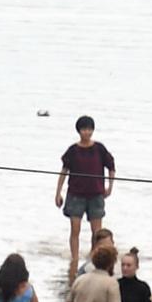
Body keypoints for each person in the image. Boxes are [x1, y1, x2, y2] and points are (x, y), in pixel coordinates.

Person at [56, 116, 116, 278]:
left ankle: (94, 259)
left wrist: (110, 186)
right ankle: (74, 260)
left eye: (89, 129)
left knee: (97, 232)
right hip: (75, 194)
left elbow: (111, 166)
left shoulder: (99, 149)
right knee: (75, 228)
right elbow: (64, 171)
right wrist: (58, 192)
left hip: (96, 194)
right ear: (79, 131)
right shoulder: (73, 150)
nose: (87, 132)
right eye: (84, 129)